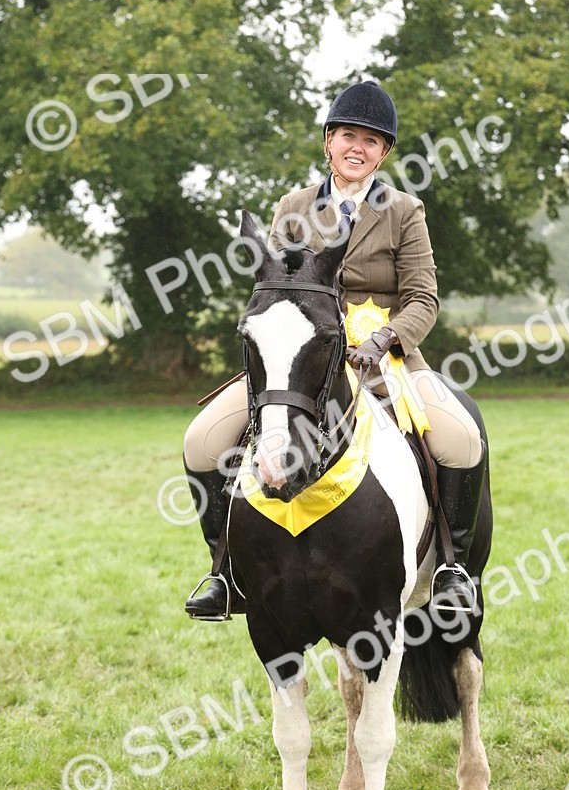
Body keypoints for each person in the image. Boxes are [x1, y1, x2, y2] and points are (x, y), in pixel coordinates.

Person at [183, 80, 486, 621]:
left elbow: (423, 298)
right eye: (349, 135)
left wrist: (384, 339)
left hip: (384, 357)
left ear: (384, 153)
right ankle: (223, 571)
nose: (358, 149)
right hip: (302, 358)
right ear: (328, 140)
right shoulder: (294, 207)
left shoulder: (404, 210)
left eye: (372, 142)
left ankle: (451, 568)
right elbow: (275, 286)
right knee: (201, 440)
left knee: (461, 440)